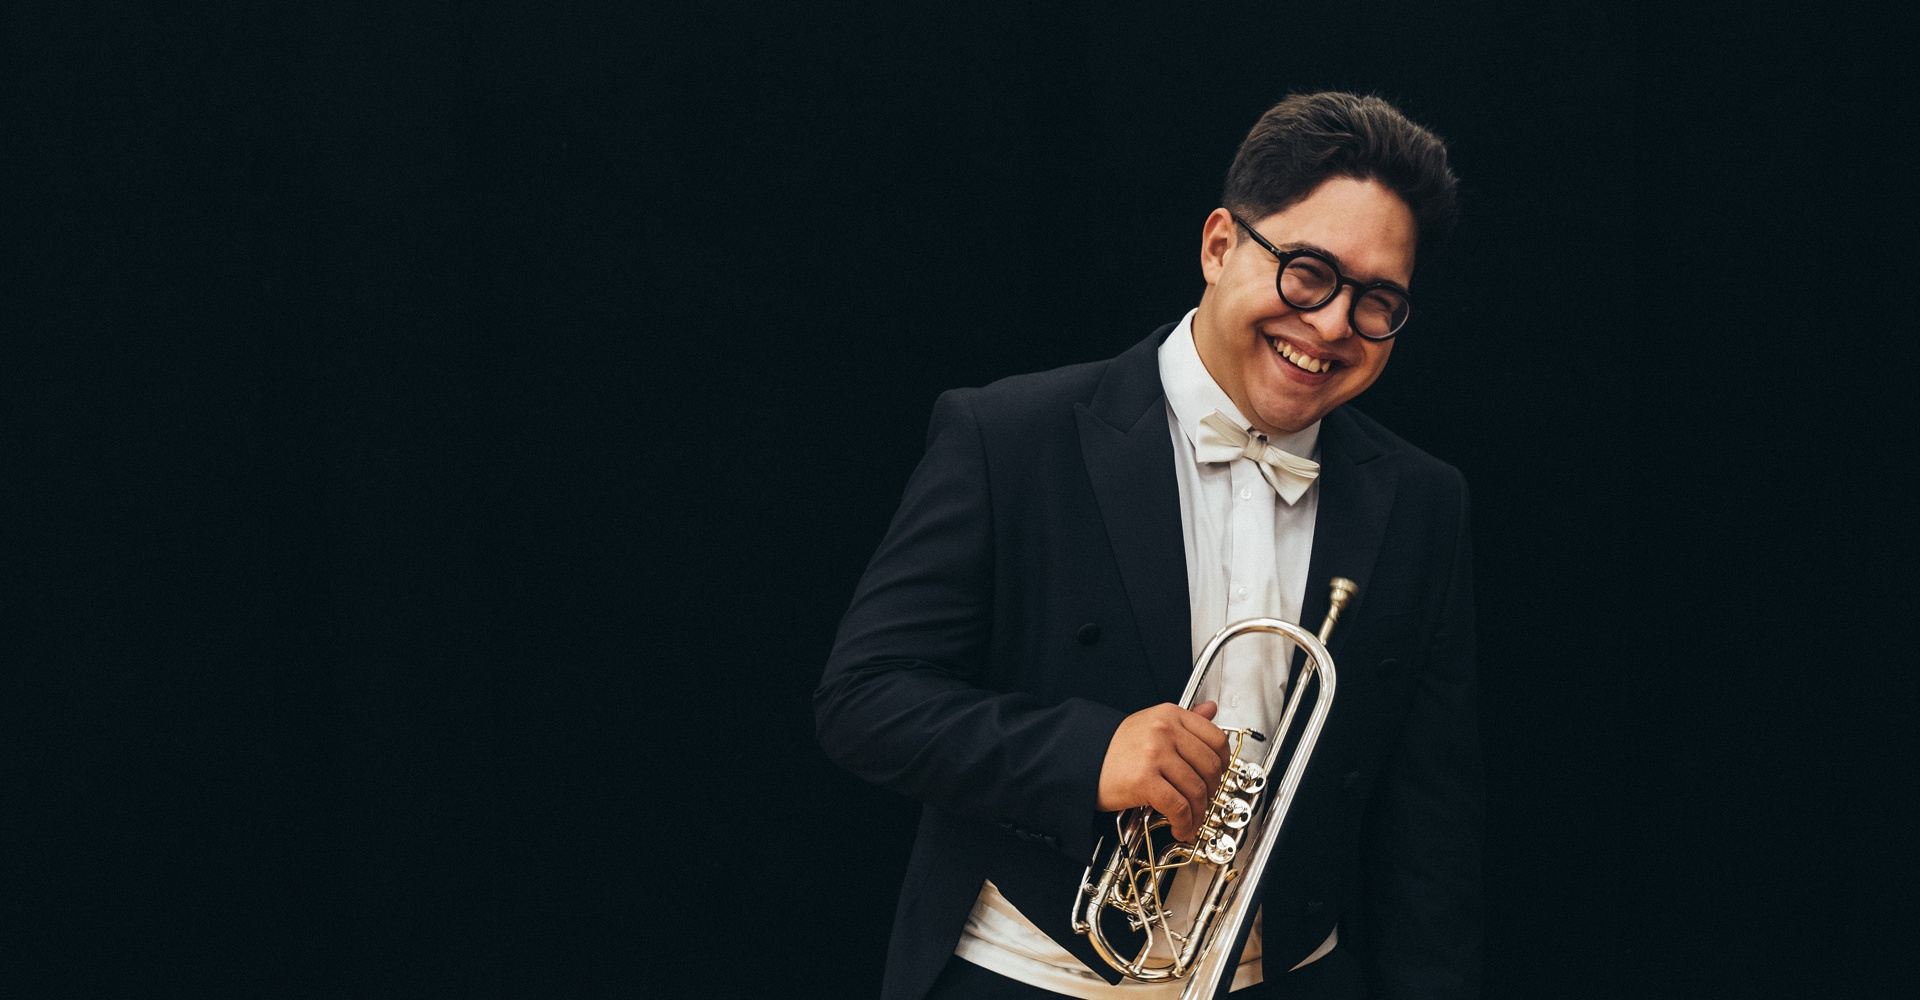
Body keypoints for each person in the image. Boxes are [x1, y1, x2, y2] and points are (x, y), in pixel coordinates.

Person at [817, 92, 1482, 1000]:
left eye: (1378, 302)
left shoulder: (1421, 500)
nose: (1332, 325)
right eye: (1308, 272)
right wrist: (1089, 755)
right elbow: (864, 700)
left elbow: (1427, 831)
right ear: (1219, 246)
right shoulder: (1011, 436)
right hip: (1031, 977)